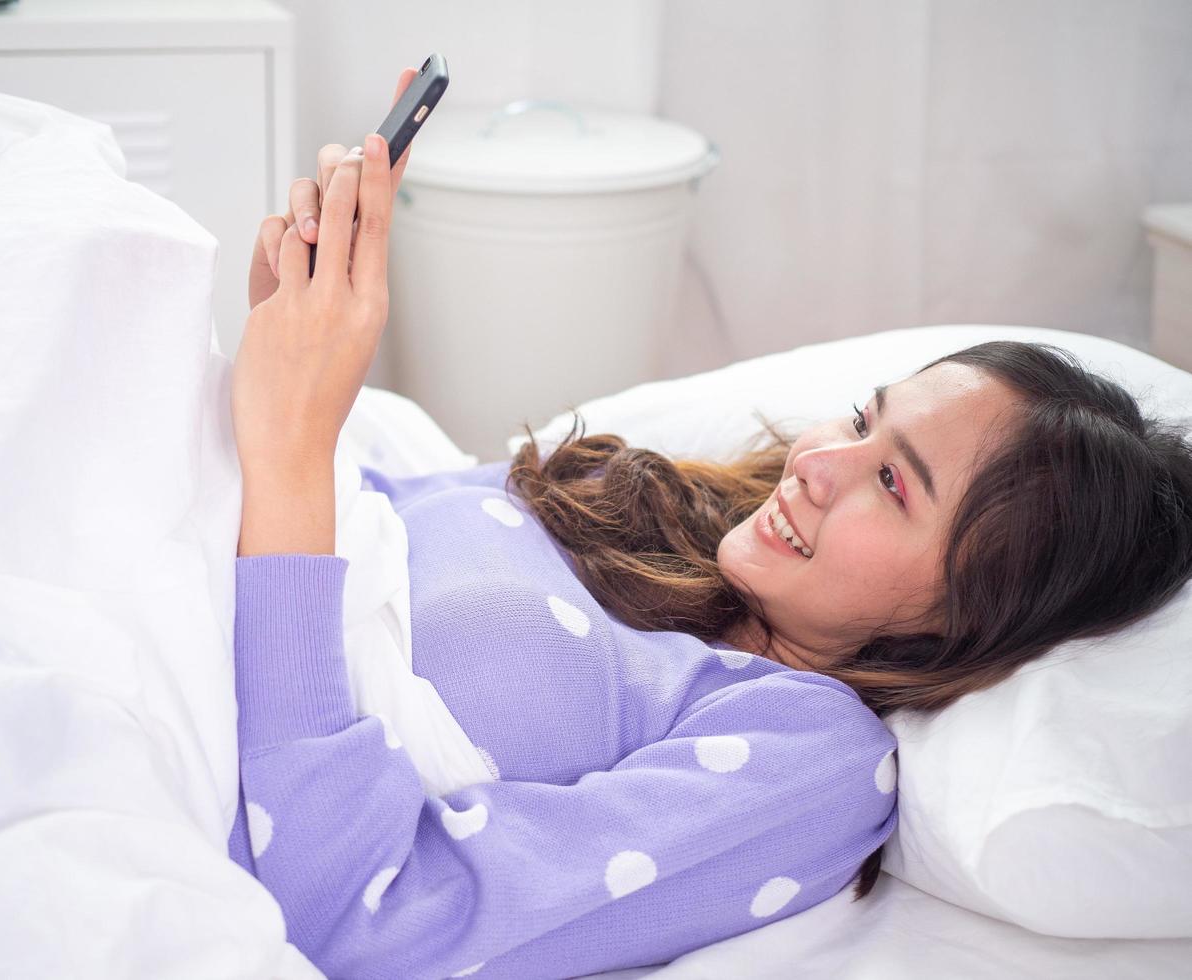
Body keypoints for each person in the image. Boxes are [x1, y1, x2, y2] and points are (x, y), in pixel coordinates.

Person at [227, 69, 1192, 980]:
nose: (815, 464)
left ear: (971, 610)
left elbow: (377, 921)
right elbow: (355, 515)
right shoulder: (638, 502)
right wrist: (287, 343)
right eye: (862, 419)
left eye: (894, 485)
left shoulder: (808, 759)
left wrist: (290, 450)